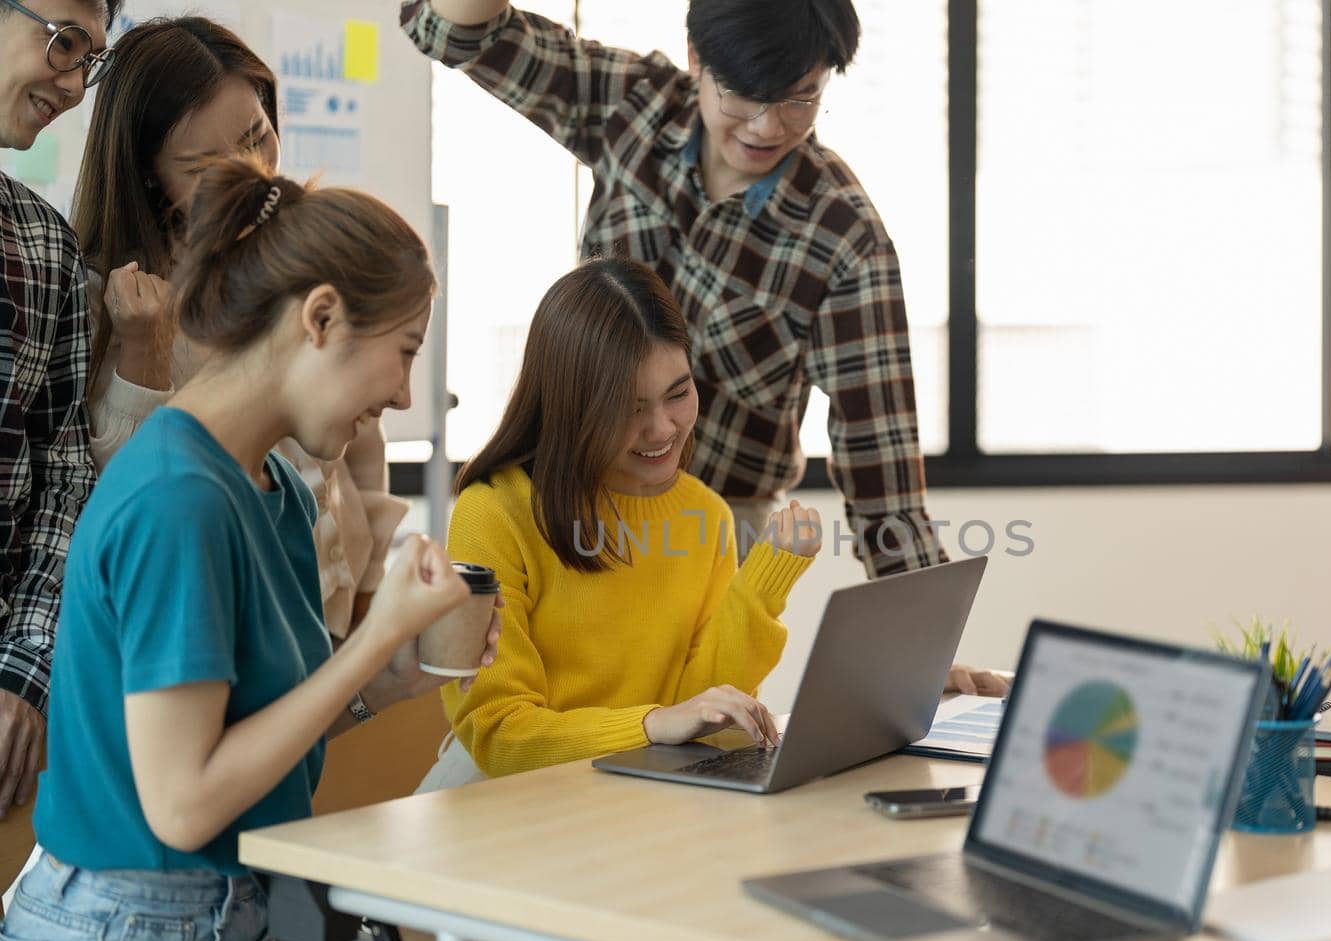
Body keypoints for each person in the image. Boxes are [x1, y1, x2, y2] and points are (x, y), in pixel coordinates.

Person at [0, 156, 497, 941]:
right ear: (319, 318)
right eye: (406, 350)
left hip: (232, 928)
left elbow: (250, 735)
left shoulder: (268, 488)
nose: (401, 393)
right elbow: (186, 803)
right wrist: (376, 632)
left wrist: (389, 678)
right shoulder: (175, 499)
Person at [402, 0, 1009, 696]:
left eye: (800, 98)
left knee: (702, 742)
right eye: (745, 96)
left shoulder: (842, 237)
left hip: (712, 527)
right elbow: (458, 31)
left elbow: (885, 481)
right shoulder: (634, 105)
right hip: (576, 498)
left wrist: (927, 651)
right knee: (542, 724)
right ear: (697, 58)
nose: (768, 126)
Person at [418, 256, 820, 791]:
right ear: (571, 407)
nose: (661, 430)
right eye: (627, 408)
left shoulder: (704, 513)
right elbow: (499, 733)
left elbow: (703, 712)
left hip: (637, 790)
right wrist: (651, 724)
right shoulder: (495, 511)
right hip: (506, 794)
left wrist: (768, 579)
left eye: (677, 393)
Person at [72, 16, 408, 640]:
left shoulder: (305, 253)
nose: (253, 175)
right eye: (207, 168)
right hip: (229, 629)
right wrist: (143, 347)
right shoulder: (116, 297)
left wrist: (370, 584)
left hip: (331, 604)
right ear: (148, 173)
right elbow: (127, 501)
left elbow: (363, 435)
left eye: (259, 135)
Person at [0, 0, 115, 822]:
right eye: (63, 44)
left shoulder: (44, 248)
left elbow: (64, 477)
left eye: (90, 60)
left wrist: (23, 669)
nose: (72, 84)